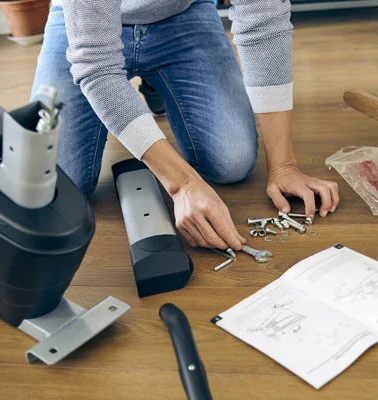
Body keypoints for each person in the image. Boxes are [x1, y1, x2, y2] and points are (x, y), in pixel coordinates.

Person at [31, 0, 339, 252]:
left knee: (232, 161)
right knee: (59, 183)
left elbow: (264, 20)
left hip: (183, 14)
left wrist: (284, 165)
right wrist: (183, 184)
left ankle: (155, 84)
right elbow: (96, 66)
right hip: (85, 27)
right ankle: (137, 92)